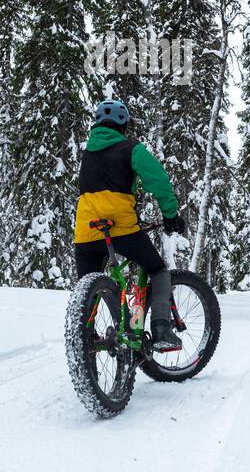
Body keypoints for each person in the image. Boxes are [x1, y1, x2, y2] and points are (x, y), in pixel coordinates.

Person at [74, 98, 186, 351]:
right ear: (123, 124)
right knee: (157, 270)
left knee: (89, 291)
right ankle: (160, 330)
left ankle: (87, 341)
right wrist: (170, 215)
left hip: (86, 232)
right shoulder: (130, 148)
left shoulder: (88, 153)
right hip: (120, 228)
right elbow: (158, 180)